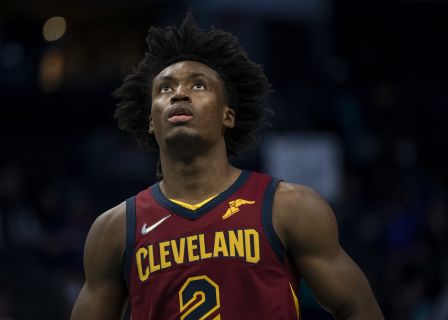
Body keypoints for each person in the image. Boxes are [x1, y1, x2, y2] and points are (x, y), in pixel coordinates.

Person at [71, 11, 384, 320]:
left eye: (198, 86)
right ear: (151, 121)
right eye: (165, 88)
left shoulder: (289, 207)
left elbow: (360, 308)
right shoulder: (113, 230)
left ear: (227, 115)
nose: (179, 94)